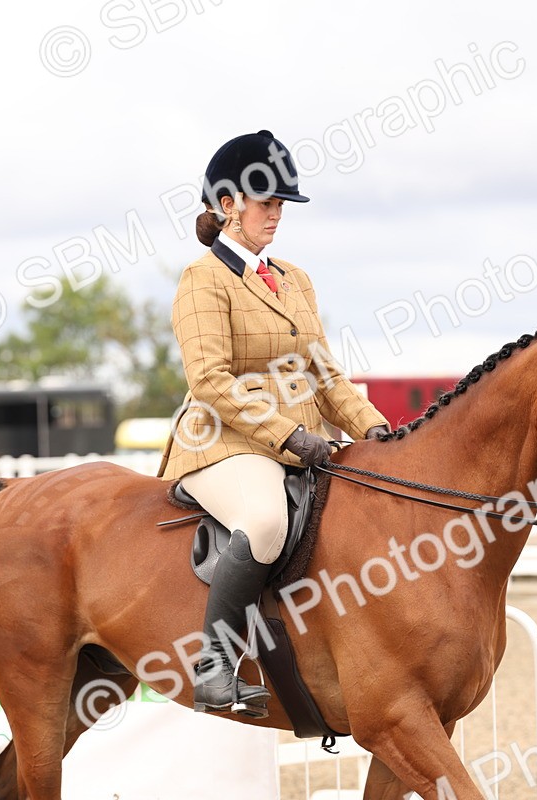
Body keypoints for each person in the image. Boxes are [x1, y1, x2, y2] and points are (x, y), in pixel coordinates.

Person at [157, 130, 390, 716]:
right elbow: (210, 381)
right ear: (228, 204)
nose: (277, 214)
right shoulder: (202, 279)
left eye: (282, 203)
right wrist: (288, 435)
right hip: (223, 443)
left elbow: (326, 377)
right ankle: (214, 665)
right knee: (264, 522)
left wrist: (376, 431)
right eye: (266, 202)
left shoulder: (295, 279)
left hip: (300, 444)